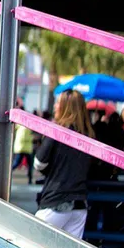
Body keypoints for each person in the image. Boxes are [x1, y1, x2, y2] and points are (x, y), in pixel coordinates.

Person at [34, 89, 93, 239]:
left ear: (65, 107)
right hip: (80, 205)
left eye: (58, 103)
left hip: (56, 201)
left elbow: (39, 163)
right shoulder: (90, 136)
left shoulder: (57, 131)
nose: (54, 107)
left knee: (33, 247)